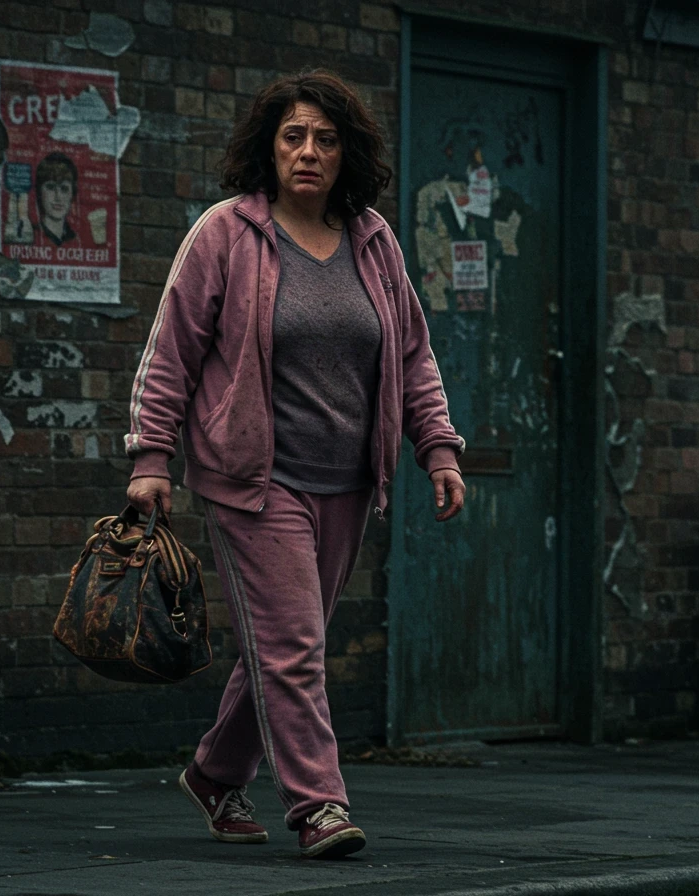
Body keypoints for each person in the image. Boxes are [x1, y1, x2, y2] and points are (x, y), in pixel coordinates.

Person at [123, 70, 466, 859]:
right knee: (294, 648)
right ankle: (319, 806)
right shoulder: (227, 233)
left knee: (282, 641)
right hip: (252, 481)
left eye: (326, 138)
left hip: (347, 483)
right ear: (269, 149)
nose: (309, 152)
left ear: (348, 153)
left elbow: (413, 356)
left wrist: (437, 446)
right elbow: (171, 351)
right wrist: (151, 457)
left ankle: (214, 773)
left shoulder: (373, 241)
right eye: (293, 137)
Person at [33, 151, 77, 246]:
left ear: (72, 194)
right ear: (39, 191)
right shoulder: (31, 235)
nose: (58, 197)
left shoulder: (76, 239)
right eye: (51, 187)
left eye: (64, 189)